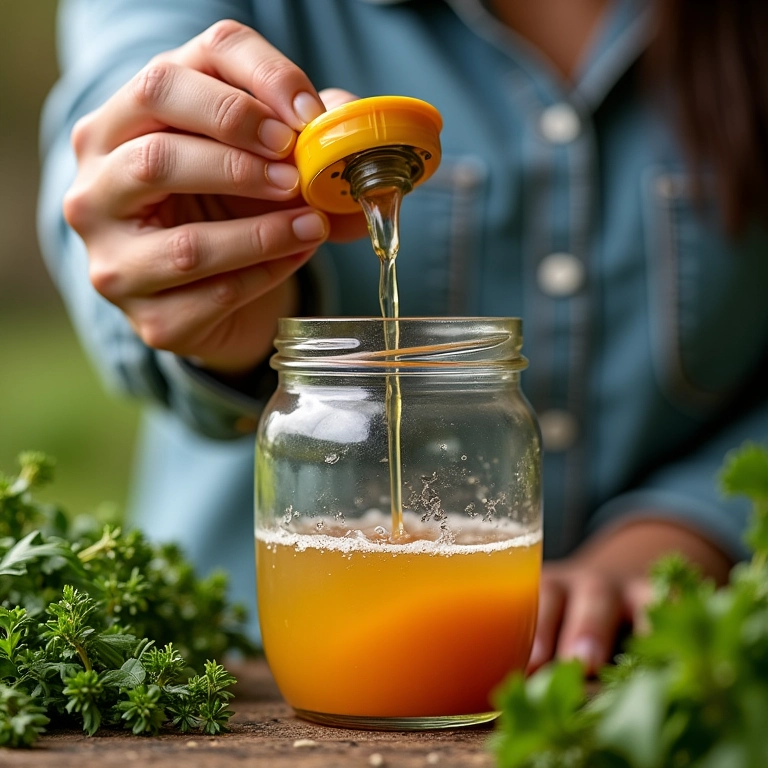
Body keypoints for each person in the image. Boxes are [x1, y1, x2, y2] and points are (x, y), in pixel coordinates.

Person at [38, 0, 768, 676]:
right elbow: (115, 98)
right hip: (243, 681)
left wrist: (689, 526)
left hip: (668, 667)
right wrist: (185, 267)